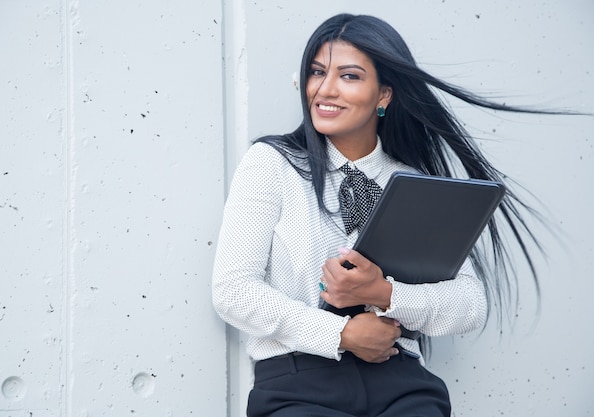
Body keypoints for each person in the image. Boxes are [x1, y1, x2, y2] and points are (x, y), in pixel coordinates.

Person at [212, 13, 556, 417]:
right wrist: (341, 333)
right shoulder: (272, 164)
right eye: (317, 72)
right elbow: (232, 290)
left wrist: (384, 294)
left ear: (384, 95)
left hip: (402, 385)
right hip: (298, 385)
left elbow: (469, 303)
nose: (325, 89)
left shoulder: (413, 182)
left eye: (350, 76)